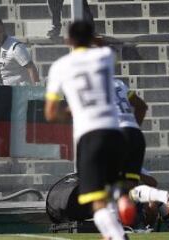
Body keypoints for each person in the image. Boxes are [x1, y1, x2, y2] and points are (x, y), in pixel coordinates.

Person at [44, 20, 132, 240]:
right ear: (92, 38)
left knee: (97, 203)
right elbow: (104, 46)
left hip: (89, 135)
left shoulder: (61, 66)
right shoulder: (104, 58)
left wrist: (71, 112)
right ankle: (120, 212)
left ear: (68, 40)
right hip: (115, 133)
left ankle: (118, 236)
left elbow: (51, 113)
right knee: (111, 193)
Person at [113, 78, 169, 225]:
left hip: (113, 136)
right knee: (127, 192)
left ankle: (115, 230)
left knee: (104, 191)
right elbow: (142, 106)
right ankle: (166, 197)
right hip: (133, 134)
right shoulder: (117, 83)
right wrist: (132, 128)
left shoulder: (90, 83)